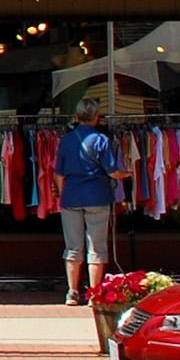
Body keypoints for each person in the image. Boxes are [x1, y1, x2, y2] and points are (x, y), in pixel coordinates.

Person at [53, 99, 130, 305]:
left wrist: (63, 194)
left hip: (71, 197)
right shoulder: (101, 140)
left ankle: (72, 292)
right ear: (96, 117)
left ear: (77, 116)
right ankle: (94, 294)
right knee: (96, 247)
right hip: (97, 196)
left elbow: (58, 174)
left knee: (73, 246)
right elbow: (112, 172)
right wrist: (126, 174)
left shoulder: (66, 140)